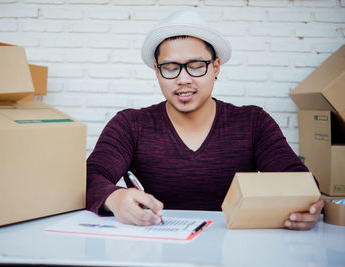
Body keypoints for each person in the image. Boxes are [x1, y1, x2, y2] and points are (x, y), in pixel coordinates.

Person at [86, 10, 324, 230]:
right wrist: (115, 198)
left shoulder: (253, 122)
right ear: (157, 71)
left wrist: (307, 206)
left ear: (216, 67)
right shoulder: (130, 124)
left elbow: (300, 181)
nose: (183, 79)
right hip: (155, 251)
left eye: (196, 66)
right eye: (170, 68)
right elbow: (89, 177)